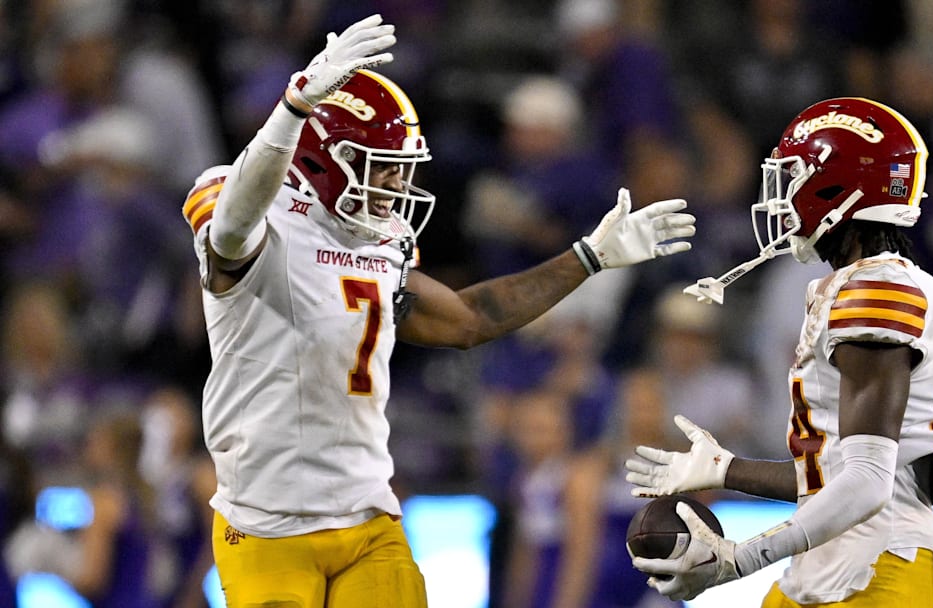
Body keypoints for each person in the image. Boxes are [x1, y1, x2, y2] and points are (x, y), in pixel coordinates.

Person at [180, 14, 695, 608]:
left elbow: (468, 321)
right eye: (383, 165)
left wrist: (587, 258)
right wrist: (293, 107)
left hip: (367, 521)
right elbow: (233, 227)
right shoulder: (251, 209)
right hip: (265, 526)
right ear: (323, 159)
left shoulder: (381, 238)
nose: (397, 183)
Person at [624, 97, 933, 607]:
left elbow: (870, 486)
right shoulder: (860, 285)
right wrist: (726, 469)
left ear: (839, 187)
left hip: (881, 566)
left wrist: (739, 559)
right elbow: (840, 478)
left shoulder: (878, 292)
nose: (782, 196)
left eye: (794, 178)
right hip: (834, 559)